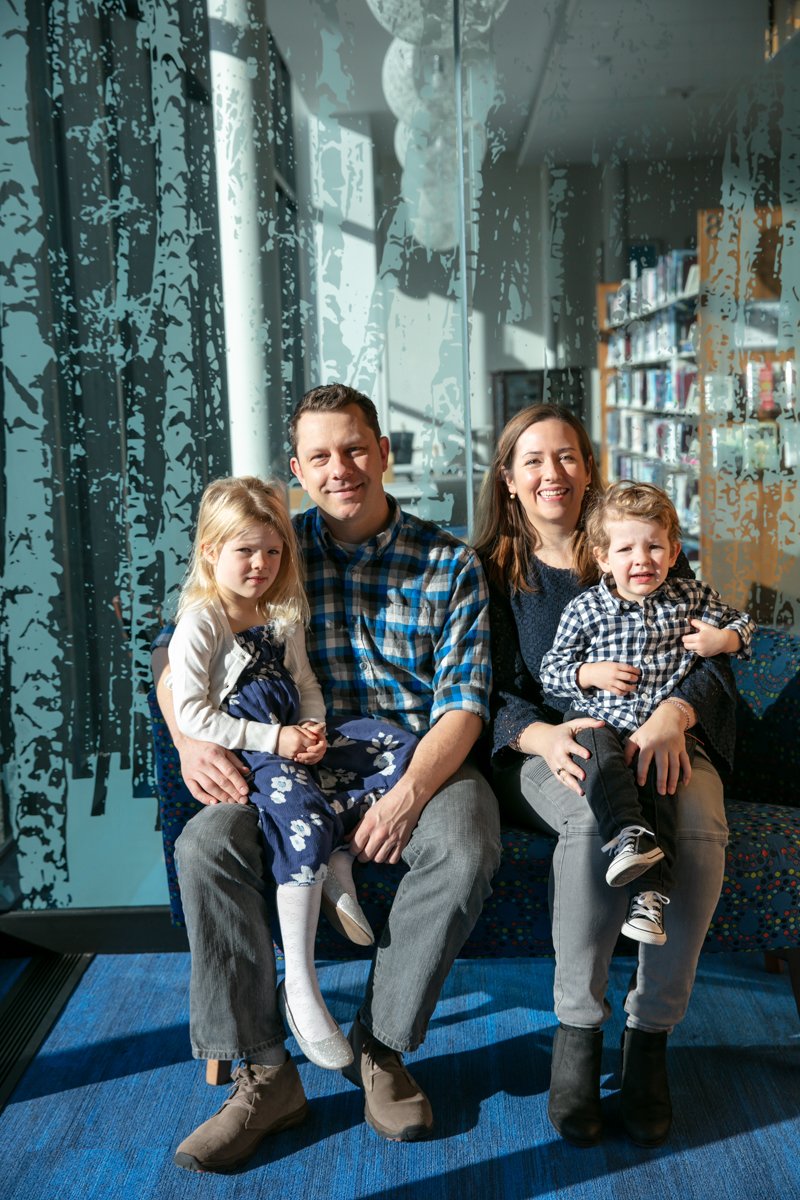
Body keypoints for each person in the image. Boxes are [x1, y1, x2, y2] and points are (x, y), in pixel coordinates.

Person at [152, 383, 500, 1173]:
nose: (340, 468)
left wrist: (410, 794)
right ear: (297, 469)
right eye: (320, 456)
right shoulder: (274, 543)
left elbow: (466, 707)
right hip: (281, 769)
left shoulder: (449, 565)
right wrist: (184, 740)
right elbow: (171, 652)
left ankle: (382, 1046)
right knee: (207, 845)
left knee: (468, 842)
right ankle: (266, 1075)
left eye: (354, 449)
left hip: (410, 759)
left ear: (383, 452)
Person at [472, 404, 735, 1151]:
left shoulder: (640, 544)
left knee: (699, 827)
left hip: (663, 736)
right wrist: (539, 732)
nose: (552, 473)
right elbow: (481, 690)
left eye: (567, 457)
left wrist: (676, 715)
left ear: (589, 468)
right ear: (509, 479)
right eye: (534, 460)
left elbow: (713, 652)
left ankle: (649, 1035)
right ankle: (578, 1036)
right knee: (595, 821)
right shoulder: (489, 572)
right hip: (549, 750)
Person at [167, 475, 419, 1074]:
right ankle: (301, 985)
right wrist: (271, 740)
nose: (260, 564)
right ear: (210, 552)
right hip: (250, 755)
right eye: (245, 551)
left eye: (272, 550)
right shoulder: (201, 622)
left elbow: (304, 684)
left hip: (292, 744)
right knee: (299, 816)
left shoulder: (280, 612)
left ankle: (339, 860)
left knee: (394, 746)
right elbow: (193, 711)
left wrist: (310, 728)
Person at [539, 480, 754, 947]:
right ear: (602, 557)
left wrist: (723, 641)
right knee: (597, 756)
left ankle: (650, 899)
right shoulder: (586, 608)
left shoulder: (691, 597)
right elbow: (551, 672)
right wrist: (589, 673)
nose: (642, 560)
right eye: (626, 549)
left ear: (675, 550)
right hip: (603, 723)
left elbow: (743, 622)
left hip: (660, 732)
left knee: (663, 786)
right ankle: (626, 834)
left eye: (655, 547)